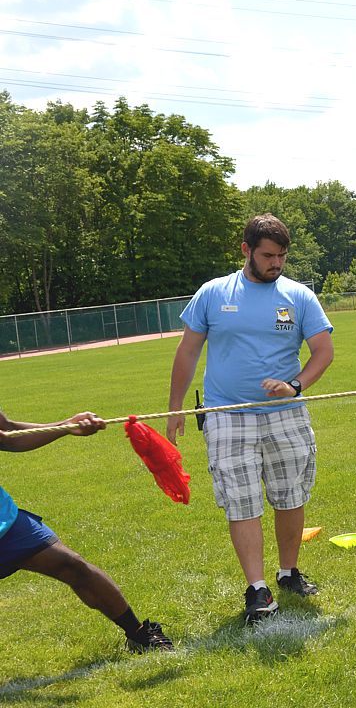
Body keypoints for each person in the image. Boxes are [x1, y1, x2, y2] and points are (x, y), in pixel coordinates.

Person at [167, 214, 335, 624]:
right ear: (246, 250)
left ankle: (288, 572)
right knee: (241, 500)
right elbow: (188, 351)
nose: (276, 263)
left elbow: (323, 352)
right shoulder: (213, 293)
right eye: (268, 255)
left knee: (290, 495)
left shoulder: (299, 296)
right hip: (227, 414)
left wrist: (294, 386)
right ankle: (257, 588)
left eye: (282, 256)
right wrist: (175, 407)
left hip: (286, 414)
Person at [1, 410, 173, 652]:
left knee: (71, 565)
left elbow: (8, 433)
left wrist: (66, 426)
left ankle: (138, 634)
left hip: (5, 521)